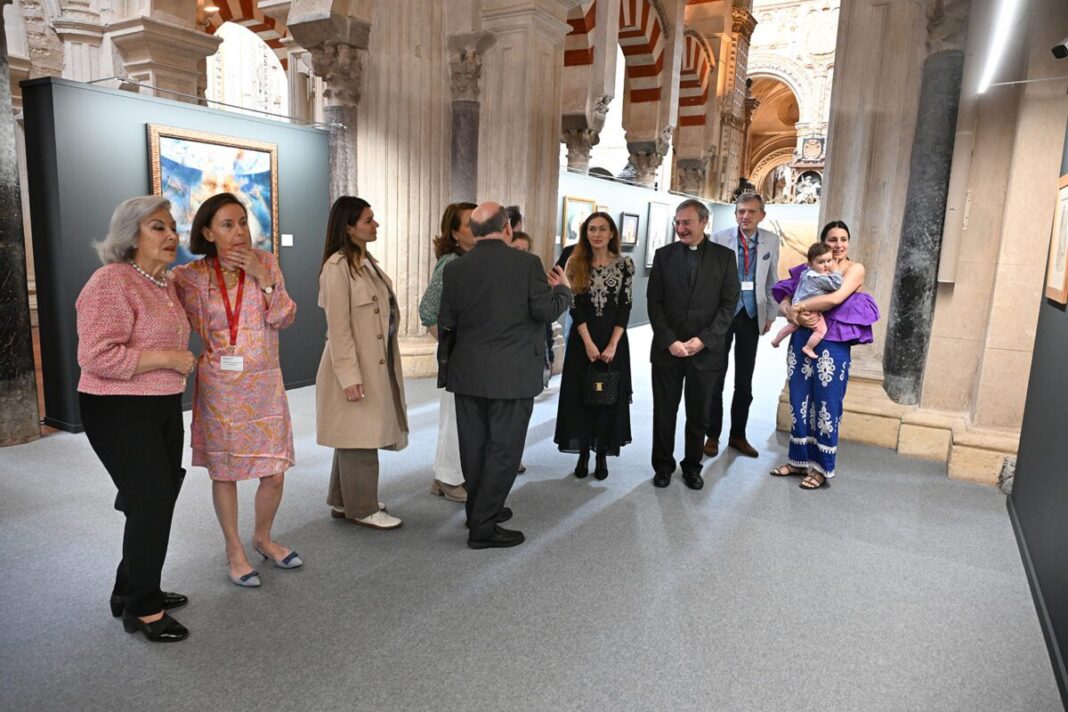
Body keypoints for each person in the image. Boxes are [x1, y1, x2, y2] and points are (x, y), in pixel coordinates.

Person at [76, 196, 195, 642]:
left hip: (161, 403)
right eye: (157, 228)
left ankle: (129, 588)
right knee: (150, 499)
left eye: (171, 228)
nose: (170, 236)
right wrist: (167, 356)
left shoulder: (163, 284)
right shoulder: (110, 281)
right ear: (131, 235)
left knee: (158, 496)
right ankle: (143, 610)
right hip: (117, 407)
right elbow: (96, 355)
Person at [172, 193, 299, 588]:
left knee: (274, 471)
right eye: (228, 225)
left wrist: (265, 281)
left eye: (243, 222)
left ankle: (262, 536)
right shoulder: (190, 277)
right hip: (220, 388)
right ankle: (234, 549)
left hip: (264, 383)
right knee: (224, 473)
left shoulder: (267, 263)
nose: (240, 231)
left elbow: (284, 317)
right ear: (208, 232)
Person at [438, 202, 572, 549]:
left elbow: (447, 321)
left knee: (475, 447)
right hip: (511, 375)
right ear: (508, 228)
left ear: (476, 231)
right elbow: (544, 311)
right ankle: (482, 527)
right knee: (504, 450)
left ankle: (479, 511)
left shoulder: (455, 269)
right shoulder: (526, 263)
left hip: (467, 373)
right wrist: (564, 291)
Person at [316, 196, 407, 529]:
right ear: (349, 227)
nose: (375, 224)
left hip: (372, 361)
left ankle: (343, 500)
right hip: (353, 366)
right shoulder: (337, 267)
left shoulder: (364, 261)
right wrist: (349, 376)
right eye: (368, 220)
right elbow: (338, 329)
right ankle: (363, 507)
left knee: (353, 432)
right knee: (361, 436)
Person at [770, 220, 880, 490]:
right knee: (799, 403)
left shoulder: (854, 269)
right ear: (822, 243)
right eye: (833, 239)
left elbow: (834, 299)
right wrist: (789, 310)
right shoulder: (812, 266)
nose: (839, 245)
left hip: (833, 344)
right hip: (800, 341)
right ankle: (797, 461)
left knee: (827, 406)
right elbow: (784, 296)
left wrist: (799, 306)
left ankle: (821, 468)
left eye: (843, 239)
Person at [647, 199, 739, 490]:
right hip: (668, 350)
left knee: (698, 414)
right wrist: (670, 340)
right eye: (677, 222)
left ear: (704, 222)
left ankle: (692, 466)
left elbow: (728, 305)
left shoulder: (724, 258)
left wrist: (704, 340)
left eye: (686, 222)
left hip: (706, 351)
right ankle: (662, 466)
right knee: (664, 411)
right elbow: (654, 303)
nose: (680, 228)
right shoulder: (663, 256)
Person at [555, 212, 634, 480]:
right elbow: (574, 307)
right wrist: (588, 342)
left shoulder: (625, 265)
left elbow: (625, 307)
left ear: (612, 233)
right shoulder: (574, 263)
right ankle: (583, 453)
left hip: (614, 341)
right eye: (591, 229)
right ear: (585, 232)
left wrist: (612, 344)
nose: (597, 234)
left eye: (602, 229)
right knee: (582, 398)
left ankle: (602, 454)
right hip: (582, 340)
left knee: (608, 399)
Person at [706, 192, 780, 459]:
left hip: (751, 314)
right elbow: (709, 279)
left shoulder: (771, 240)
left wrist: (771, 313)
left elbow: (772, 280)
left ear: (761, 215)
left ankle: (738, 435)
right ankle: (712, 435)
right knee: (715, 377)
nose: (745, 216)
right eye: (740, 212)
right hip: (722, 315)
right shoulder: (718, 237)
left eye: (750, 212)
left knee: (744, 380)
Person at [418, 201, 476, 503]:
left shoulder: (474, 260)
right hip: (459, 354)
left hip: (473, 355)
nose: (477, 228)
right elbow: (427, 310)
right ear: (454, 233)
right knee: (454, 416)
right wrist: (450, 340)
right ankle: (448, 478)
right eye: (469, 224)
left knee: (458, 416)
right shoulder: (451, 262)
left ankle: (445, 476)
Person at [771, 242, 841, 358]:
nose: (826, 265)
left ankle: (776, 340)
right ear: (810, 264)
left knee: (793, 325)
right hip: (810, 309)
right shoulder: (819, 278)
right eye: (821, 262)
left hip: (797, 303)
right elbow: (837, 284)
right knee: (821, 330)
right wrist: (836, 270)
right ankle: (808, 347)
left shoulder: (806, 273)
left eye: (829, 260)